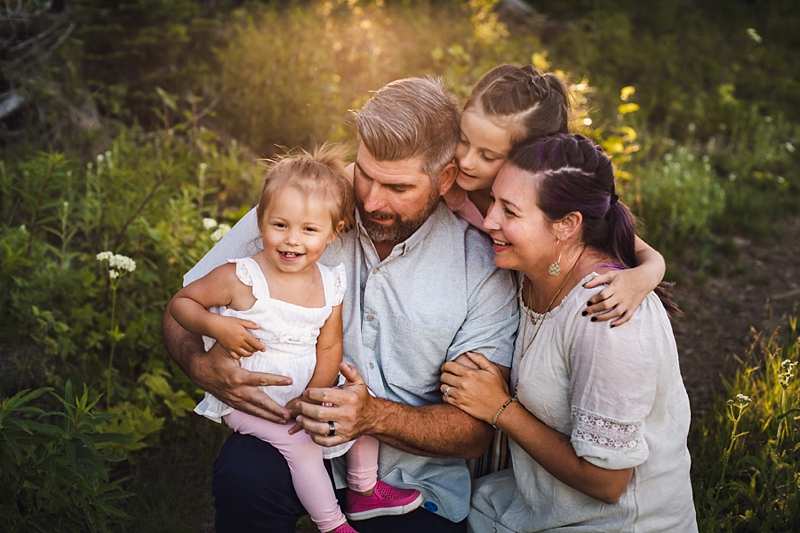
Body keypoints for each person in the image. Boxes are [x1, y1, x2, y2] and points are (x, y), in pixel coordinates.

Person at [162, 76, 520, 533]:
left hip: (415, 482)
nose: (370, 200)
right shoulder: (303, 208)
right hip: (288, 436)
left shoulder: (482, 265)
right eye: (365, 173)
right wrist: (199, 365)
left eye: (398, 187)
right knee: (243, 477)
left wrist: (374, 416)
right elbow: (184, 301)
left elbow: (475, 431)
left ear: (445, 177)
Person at [440, 133, 698, 532]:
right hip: (538, 506)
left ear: (567, 225)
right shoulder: (533, 272)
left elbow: (607, 482)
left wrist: (500, 409)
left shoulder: (606, 316)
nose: (489, 220)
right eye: (494, 201)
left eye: (509, 211)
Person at [166, 145, 422, 533]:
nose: (291, 241)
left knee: (363, 415)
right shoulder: (241, 276)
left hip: (304, 393)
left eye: (309, 230)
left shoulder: (329, 282)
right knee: (300, 447)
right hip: (254, 402)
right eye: (279, 225)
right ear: (261, 221)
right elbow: (181, 304)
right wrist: (216, 327)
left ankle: (363, 487)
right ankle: (333, 524)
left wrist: (318, 396)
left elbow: (330, 346)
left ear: (334, 232)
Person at [445, 64, 664, 327]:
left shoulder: (551, 202)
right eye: (464, 140)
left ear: (528, 158)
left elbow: (645, 253)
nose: (466, 162)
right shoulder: (447, 178)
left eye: (488, 156)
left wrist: (641, 279)